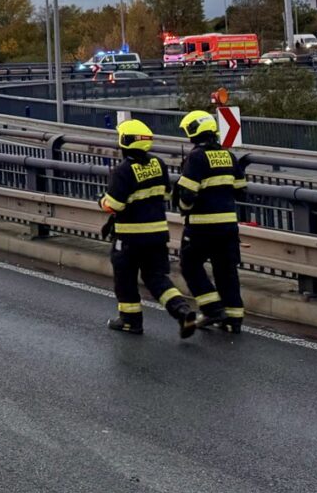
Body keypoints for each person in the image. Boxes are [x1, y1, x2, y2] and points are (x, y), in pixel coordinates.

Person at [100, 119, 198, 338]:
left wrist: (102, 202)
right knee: (156, 277)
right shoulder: (158, 164)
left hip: (129, 237)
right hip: (157, 234)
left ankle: (130, 321)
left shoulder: (122, 171)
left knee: (124, 280)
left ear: (125, 142)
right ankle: (182, 311)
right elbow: (164, 194)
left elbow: (114, 205)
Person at [173, 110, 248, 333]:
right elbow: (241, 191)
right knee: (226, 270)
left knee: (190, 265)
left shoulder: (195, 157)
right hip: (228, 226)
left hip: (201, 226)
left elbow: (186, 194)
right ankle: (233, 319)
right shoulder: (228, 155)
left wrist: (184, 210)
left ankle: (212, 308)